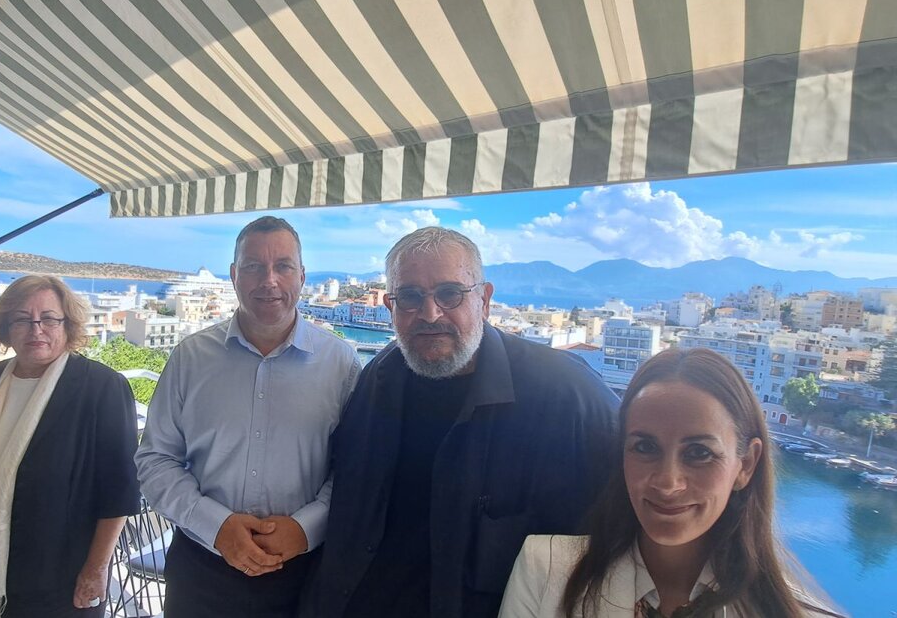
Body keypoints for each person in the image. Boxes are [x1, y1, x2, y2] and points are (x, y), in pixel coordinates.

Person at [301, 227, 619, 618]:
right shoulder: (378, 380)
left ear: (484, 300)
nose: (430, 313)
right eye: (410, 297)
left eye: (449, 293)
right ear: (390, 306)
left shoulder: (566, 398)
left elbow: (622, 526)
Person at [499, 348, 842, 618]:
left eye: (699, 453)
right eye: (645, 447)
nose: (668, 483)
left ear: (746, 464)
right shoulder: (545, 571)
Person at [136, 216, 361, 618]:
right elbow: (156, 460)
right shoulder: (191, 358)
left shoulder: (340, 363)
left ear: (302, 276)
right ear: (234, 275)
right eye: (254, 266)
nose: (269, 280)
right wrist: (216, 526)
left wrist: (305, 528)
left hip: (305, 575)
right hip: (201, 572)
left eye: (283, 266)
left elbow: (354, 471)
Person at [0, 275, 139, 617]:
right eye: (22, 319)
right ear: (6, 327)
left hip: (60, 580)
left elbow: (120, 489)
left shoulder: (101, 387)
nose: (36, 330)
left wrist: (96, 568)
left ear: (67, 324)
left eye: (48, 318)